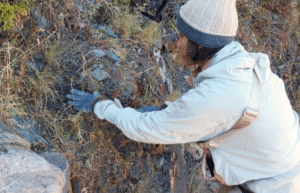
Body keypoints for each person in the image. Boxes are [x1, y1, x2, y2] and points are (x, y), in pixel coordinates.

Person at [66, 0, 300, 192]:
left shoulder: (218, 96)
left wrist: (100, 106)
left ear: (201, 44)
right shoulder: (244, 65)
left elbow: (144, 128)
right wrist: (166, 112)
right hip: (277, 164)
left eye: (180, 36)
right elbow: (212, 115)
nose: (176, 43)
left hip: (273, 185)